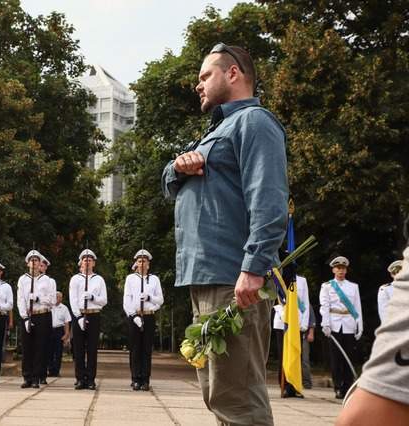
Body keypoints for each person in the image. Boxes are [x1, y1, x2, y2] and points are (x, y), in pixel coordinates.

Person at [161, 43, 288, 425]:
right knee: (218, 396)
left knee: (239, 400)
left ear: (233, 74)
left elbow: (269, 200)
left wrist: (253, 268)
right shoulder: (214, 132)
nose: (198, 85)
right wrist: (177, 167)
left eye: (205, 76)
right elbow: (168, 184)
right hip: (205, 277)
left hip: (234, 278)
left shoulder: (255, 122)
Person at [336, 247, 409, 425]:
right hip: (338, 323)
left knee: (358, 419)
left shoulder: (352, 287)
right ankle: (339, 385)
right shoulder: (385, 290)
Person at [319, 256, 363, 399]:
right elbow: (324, 306)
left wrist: (359, 325)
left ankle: (348, 387)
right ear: (333, 269)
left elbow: (357, 307)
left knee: (349, 357)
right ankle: (338, 387)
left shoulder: (353, 286)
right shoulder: (327, 286)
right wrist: (325, 323)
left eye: (343, 268)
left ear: (346, 270)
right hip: (334, 324)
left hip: (349, 324)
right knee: (336, 358)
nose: (341, 271)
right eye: (338, 268)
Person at [123, 249, 163, 391]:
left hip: (149, 315)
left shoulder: (154, 279)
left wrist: (149, 297)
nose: (141, 264)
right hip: (135, 316)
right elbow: (127, 300)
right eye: (139, 261)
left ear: (148, 264)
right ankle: (135, 378)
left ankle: (145, 379)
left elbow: (160, 300)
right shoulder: (130, 279)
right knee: (135, 349)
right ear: (136, 263)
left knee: (146, 349)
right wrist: (133, 316)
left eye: (144, 261)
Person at [69, 249, 108, 390]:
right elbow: (73, 300)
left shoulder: (99, 279)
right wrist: (78, 316)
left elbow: (104, 301)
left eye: (90, 260)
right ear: (81, 262)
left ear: (94, 263)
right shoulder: (75, 279)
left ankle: (91, 379)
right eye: (85, 260)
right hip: (79, 314)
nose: (87, 262)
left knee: (92, 349)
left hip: (94, 314)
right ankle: (80, 378)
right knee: (78, 349)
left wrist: (93, 297)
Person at [17, 250, 55, 388]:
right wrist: (25, 317)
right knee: (27, 347)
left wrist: (39, 298)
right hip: (29, 314)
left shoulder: (47, 280)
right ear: (28, 263)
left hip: (42, 314)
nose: (34, 262)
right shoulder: (23, 279)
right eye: (31, 260)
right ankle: (27, 376)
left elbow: (52, 300)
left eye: (36, 260)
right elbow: (20, 299)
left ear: (40, 263)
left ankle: (36, 377)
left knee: (40, 347)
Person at [272, 274, 310, 397]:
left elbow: (305, 302)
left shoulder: (302, 281)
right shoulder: (276, 277)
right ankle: (284, 386)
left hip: (296, 322)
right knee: (283, 355)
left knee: (295, 353)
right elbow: (273, 299)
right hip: (282, 321)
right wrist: (285, 316)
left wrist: (304, 322)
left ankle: (295, 386)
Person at [48, 291, 71, 378]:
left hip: (59, 330)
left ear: (61, 299)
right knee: (49, 351)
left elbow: (66, 322)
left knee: (58, 352)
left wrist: (66, 333)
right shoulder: (49, 307)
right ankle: (50, 370)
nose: (57, 298)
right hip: (50, 330)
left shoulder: (64, 308)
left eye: (59, 297)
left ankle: (56, 371)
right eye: (56, 297)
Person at [301, 307, 316, 389]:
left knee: (305, 360)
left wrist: (311, 333)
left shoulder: (305, 302)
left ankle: (307, 382)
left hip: (304, 335)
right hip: (292, 335)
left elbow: (311, 319)